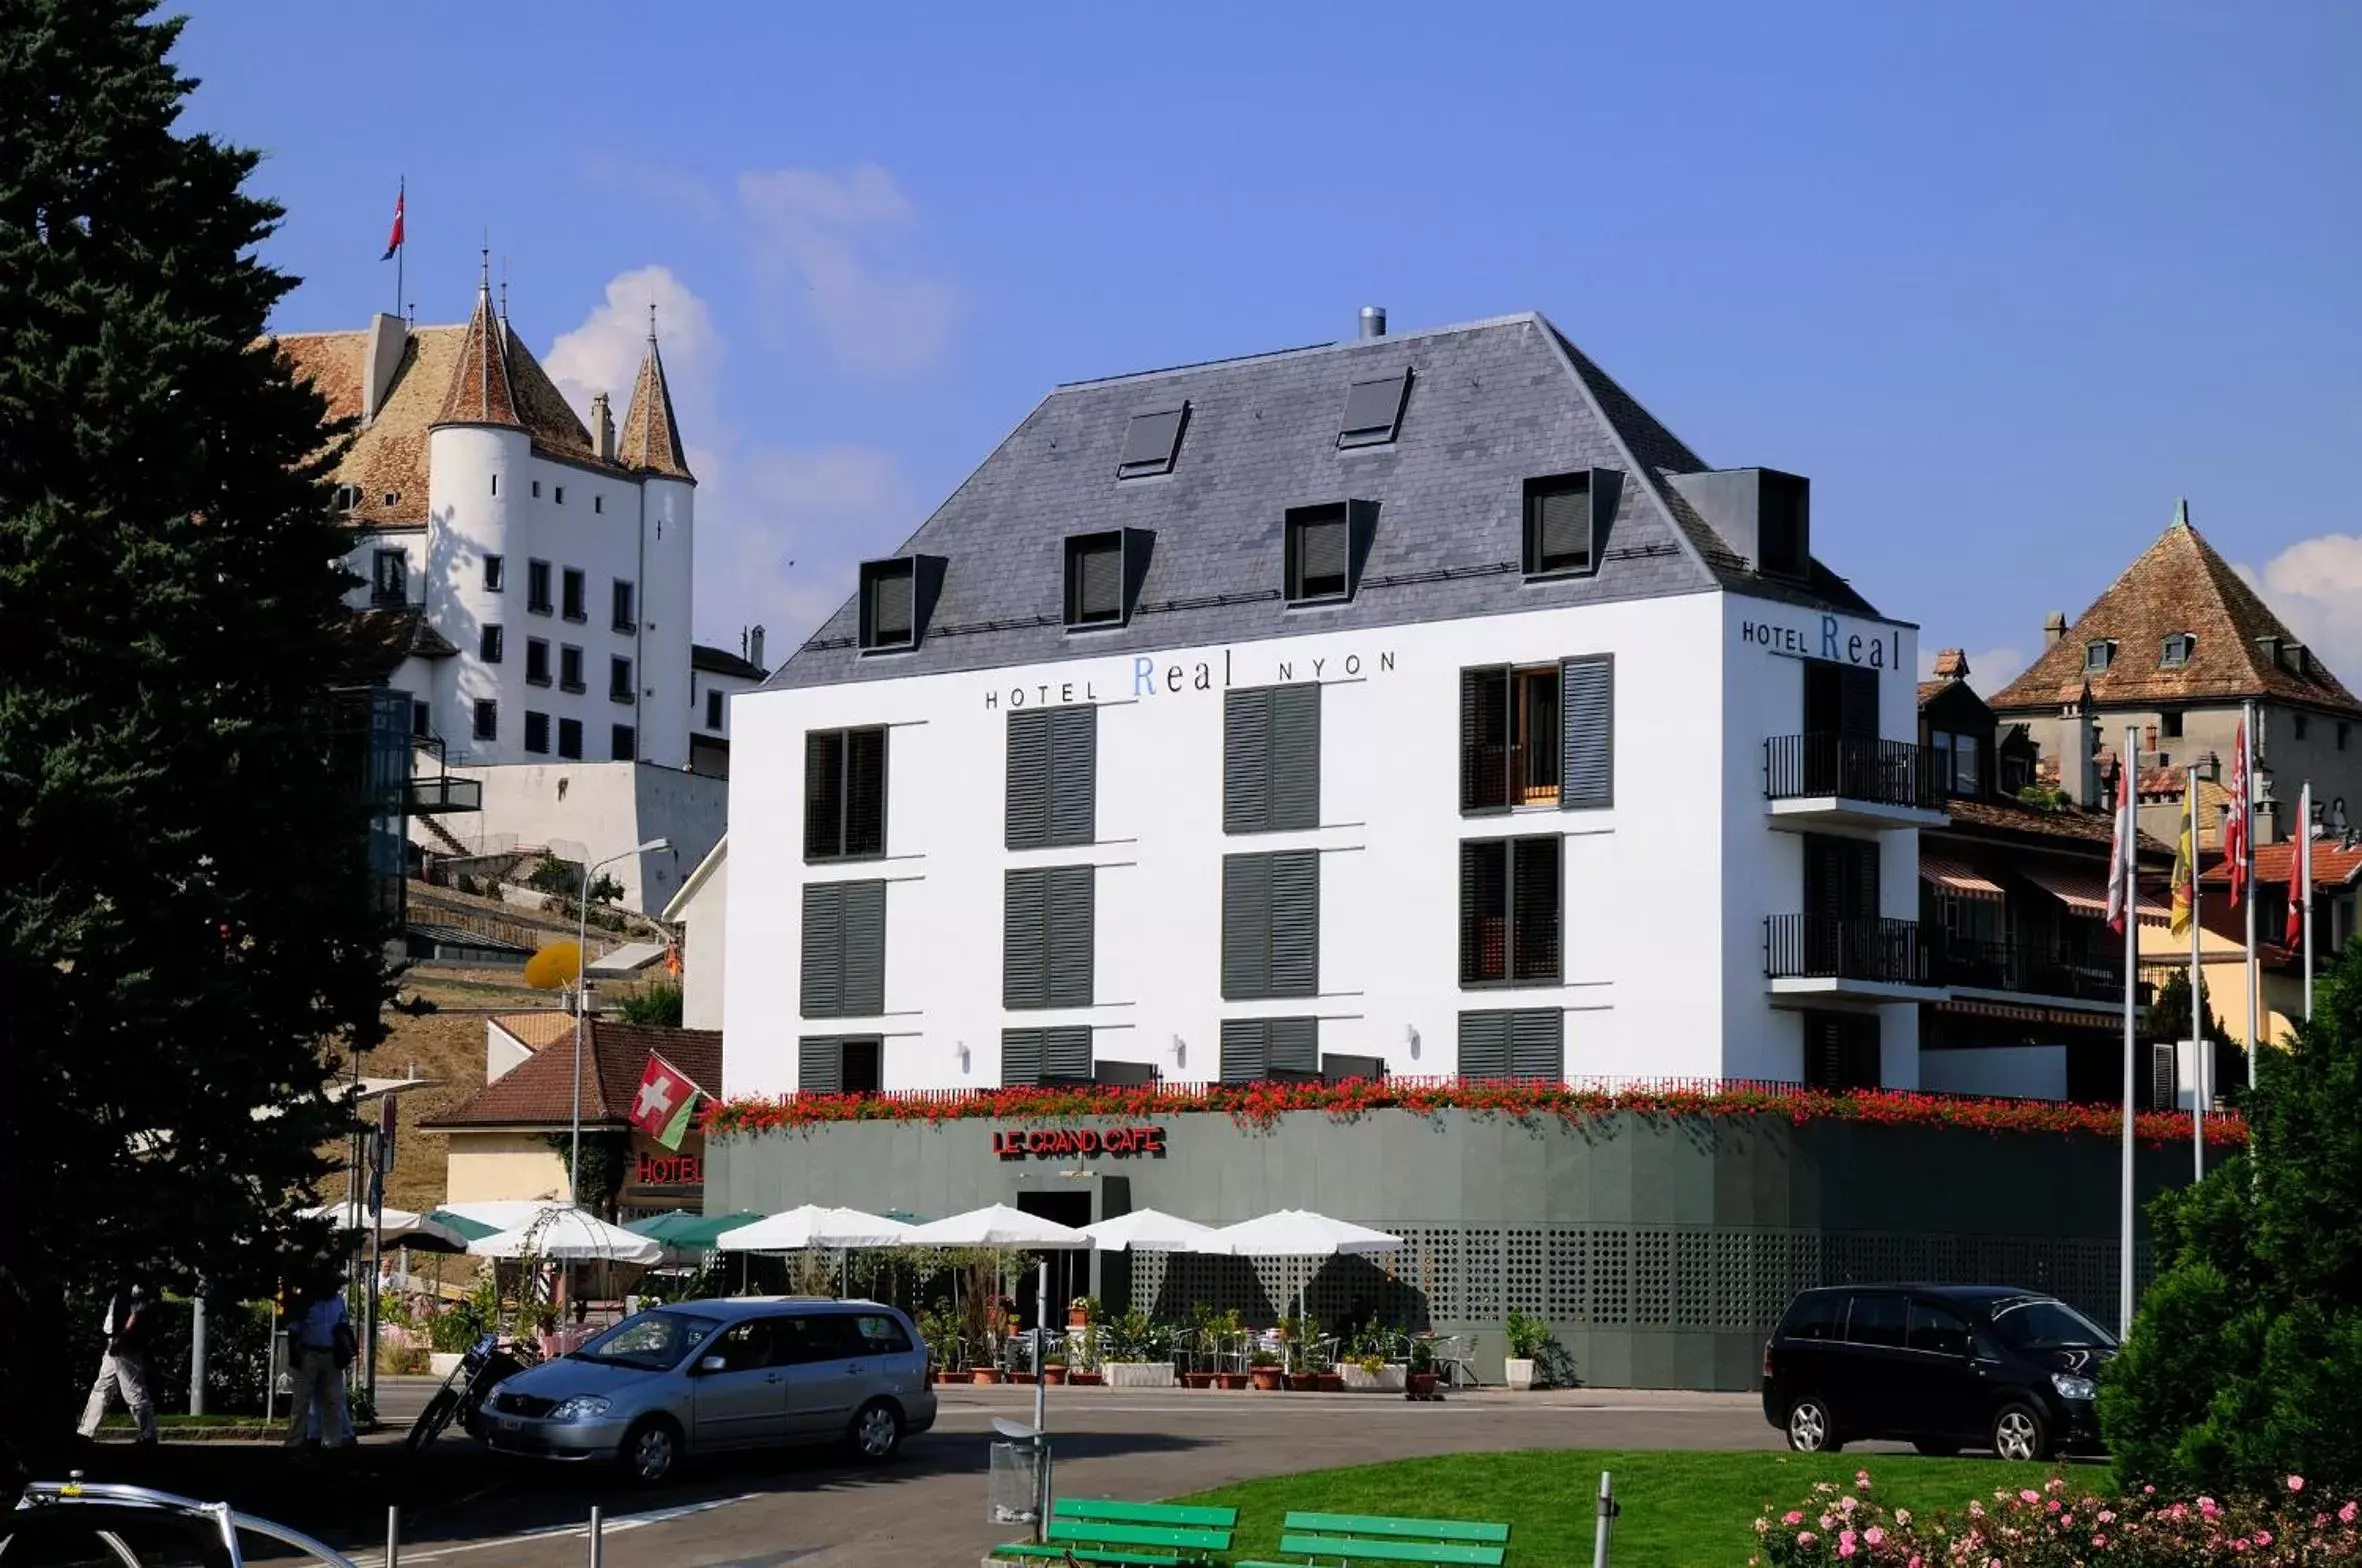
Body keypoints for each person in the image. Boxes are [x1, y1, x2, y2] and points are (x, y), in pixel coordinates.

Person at [77, 1281, 158, 1444]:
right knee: (102, 1389)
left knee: (133, 1391)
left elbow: (135, 1315)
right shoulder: (122, 1290)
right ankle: (86, 1431)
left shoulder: (133, 1289)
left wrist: (120, 1338)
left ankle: (148, 1434)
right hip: (115, 1344)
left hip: (123, 1346)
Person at [282, 1274, 356, 1449]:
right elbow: (294, 1330)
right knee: (301, 1401)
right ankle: (295, 1441)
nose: (335, 1289)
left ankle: (332, 1442)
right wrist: (295, 1358)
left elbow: (342, 1324)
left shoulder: (338, 1301)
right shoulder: (306, 1301)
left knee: (333, 1400)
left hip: (331, 1354)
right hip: (309, 1353)